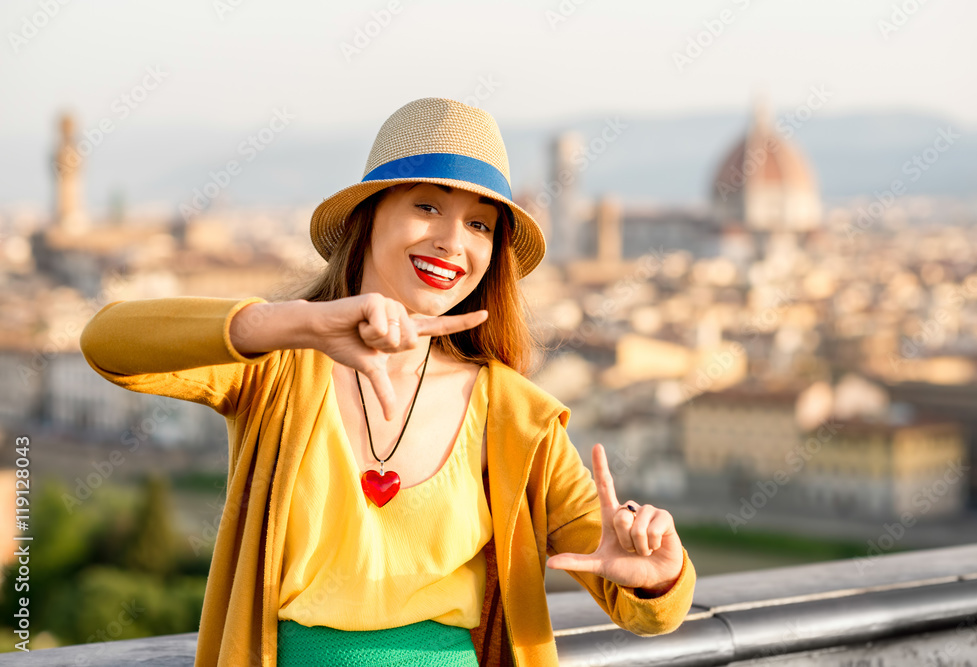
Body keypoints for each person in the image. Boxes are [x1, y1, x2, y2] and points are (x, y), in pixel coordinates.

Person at [80, 97, 695, 667]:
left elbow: (648, 608)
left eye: (481, 225)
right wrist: (294, 321)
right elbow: (108, 344)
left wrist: (659, 574)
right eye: (427, 206)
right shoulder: (280, 371)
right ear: (369, 217)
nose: (453, 241)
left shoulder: (515, 413)